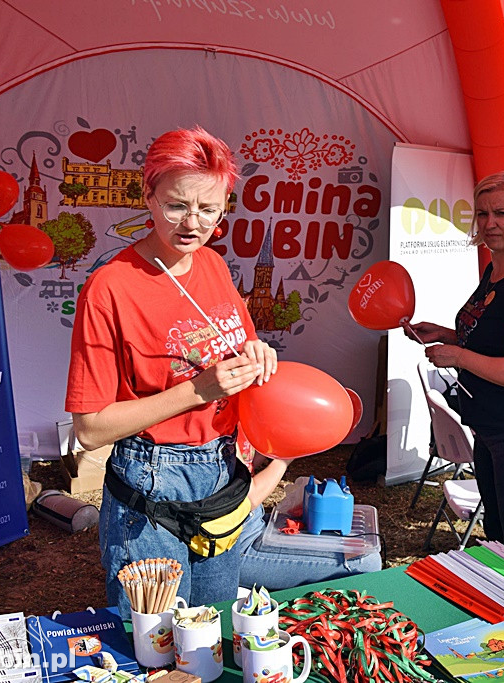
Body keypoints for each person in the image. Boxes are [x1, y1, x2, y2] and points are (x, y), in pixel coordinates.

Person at [66, 127, 375, 618]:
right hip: (151, 483)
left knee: (214, 632)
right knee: (160, 640)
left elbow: (240, 347)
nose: (193, 223)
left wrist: (258, 354)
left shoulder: (210, 265)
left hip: (222, 474)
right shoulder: (111, 288)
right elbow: (90, 428)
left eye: (209, 209)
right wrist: (197, 390)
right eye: (176, 206)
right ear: (147, 194)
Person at [405, 171, 504, 542]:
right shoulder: (497, 267)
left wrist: (458, 355)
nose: (489, 223)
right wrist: (447, 334)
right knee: (497, 538)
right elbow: (495, 338)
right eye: (482, 214)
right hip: (494, 428)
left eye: (502, 214)